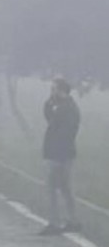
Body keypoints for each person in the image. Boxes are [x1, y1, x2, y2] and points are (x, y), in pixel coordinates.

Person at [40, 78, 81, 235]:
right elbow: (49, 118)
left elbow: (67, 132)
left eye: (54, 89)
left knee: (54, 189)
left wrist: (57, 152)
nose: (52, 92)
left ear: (62, 90)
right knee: (64, 188)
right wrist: (49, 104)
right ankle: (72, 220)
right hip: (57, 153)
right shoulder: (60, 106)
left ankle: (55, 222)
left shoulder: (69, 108)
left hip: (61, 154)